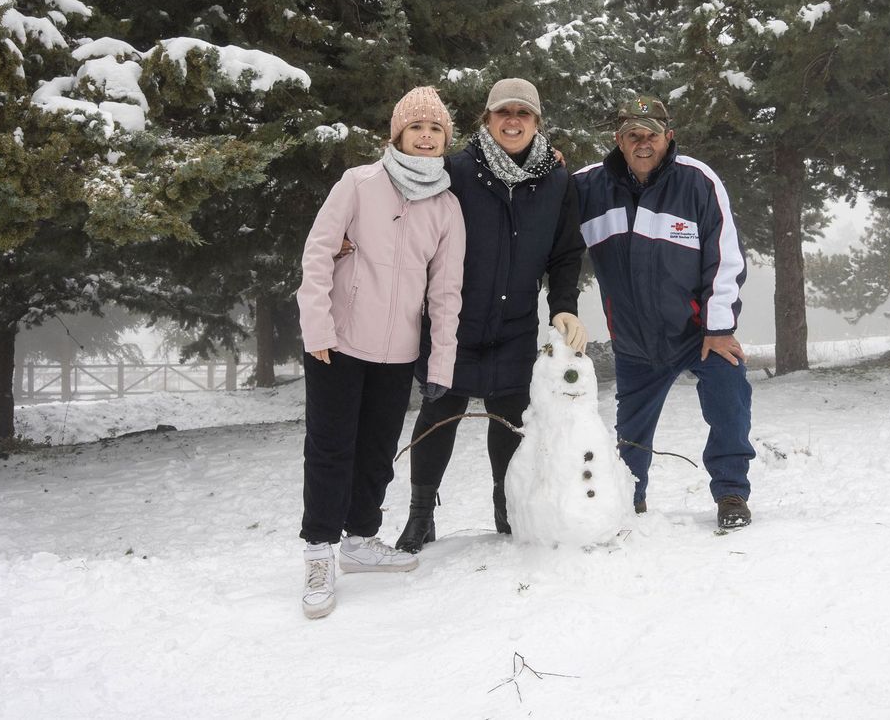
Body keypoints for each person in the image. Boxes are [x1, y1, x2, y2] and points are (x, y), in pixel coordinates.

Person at [392, 78, 588, 552]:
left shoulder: (556, 179)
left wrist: (563, 306)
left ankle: (507, 507)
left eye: (523, 113)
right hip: (452, 324)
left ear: (537, 122)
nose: (513, 121)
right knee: (439, 415)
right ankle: (421, 515)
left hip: (515, 324)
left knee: (508, 420)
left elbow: (565, 253)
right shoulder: (454, 171)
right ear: (487, 120)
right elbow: (402, 206)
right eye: (504, 113)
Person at [294, 86, 465, 619]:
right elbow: (319, 253)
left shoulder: (447, 205)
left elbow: (445, 291)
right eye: (416, 126)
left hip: (397, 352)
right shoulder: (359, 183)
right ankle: (319, 552)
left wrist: (440, 363)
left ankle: (360, 540)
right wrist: (316, 329)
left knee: (376, 450)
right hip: (338, 345)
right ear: (397, 134)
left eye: (436, 129)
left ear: (445, 140)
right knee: (330, 448)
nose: (426, 135)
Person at [572, 95, 754, 530]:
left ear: (668, 136)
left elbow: (725, 256)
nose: (642, 143)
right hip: (635, 341)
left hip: (699, 335)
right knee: (631, 435)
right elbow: (543, 201)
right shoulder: (587, 187)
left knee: (730, 401)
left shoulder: (697, 182)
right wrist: (545, 162)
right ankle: (629, 501)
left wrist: (719, 326)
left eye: (651, 135)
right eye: (632, 135)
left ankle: (731, 493)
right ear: (618, 140)